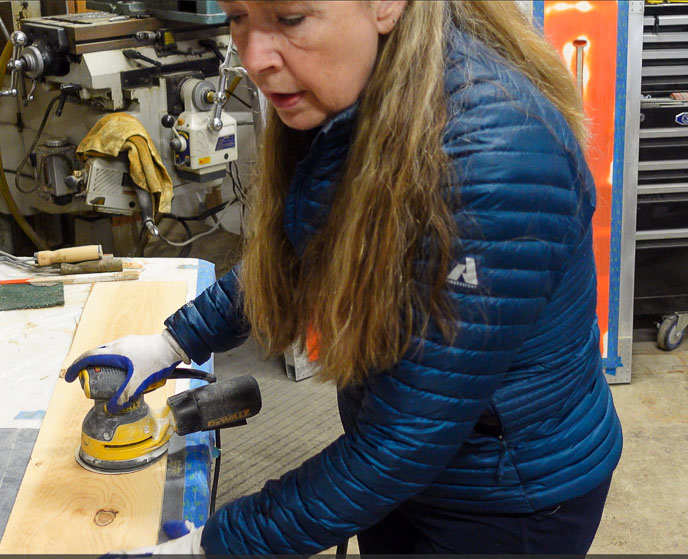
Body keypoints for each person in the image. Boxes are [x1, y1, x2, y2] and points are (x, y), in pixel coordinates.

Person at [66, 1, 623, 554]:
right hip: (413, 468)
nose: (254, 58)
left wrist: (210, 548)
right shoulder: (368, 93)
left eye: (289, 19)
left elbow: (400, 447)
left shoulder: (490, 161)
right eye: (238, 18)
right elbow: (305, 249)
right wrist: (171, 342)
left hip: (505, 499)